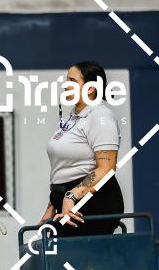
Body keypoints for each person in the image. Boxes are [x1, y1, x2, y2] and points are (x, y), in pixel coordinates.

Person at [39, 61, 124, 236]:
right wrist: (51, 207)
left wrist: (71, 196)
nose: (66, 86)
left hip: (94, 204)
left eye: (72, 81)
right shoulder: (73, 119)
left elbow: (106, 169)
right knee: (50, 248)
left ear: (91, 88)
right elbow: (64, 170)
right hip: (67, 203)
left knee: (65, 251)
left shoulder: (100, 116)